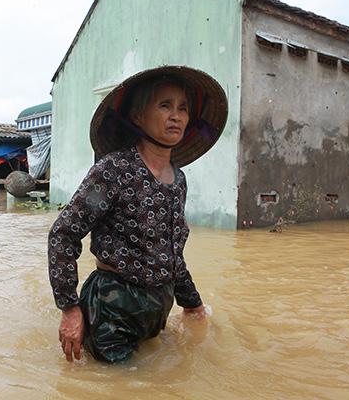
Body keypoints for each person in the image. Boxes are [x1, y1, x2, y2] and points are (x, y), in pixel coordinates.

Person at [48, 65, 228, 363]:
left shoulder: (178, 179)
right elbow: (63, 234)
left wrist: (192, 305)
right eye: (165, 105)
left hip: (157, 312)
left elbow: (171, 254)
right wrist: (69, 309)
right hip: (112, 314)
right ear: (137, 116)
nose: (177, 116)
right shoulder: (113, 170)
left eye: (183, 108)